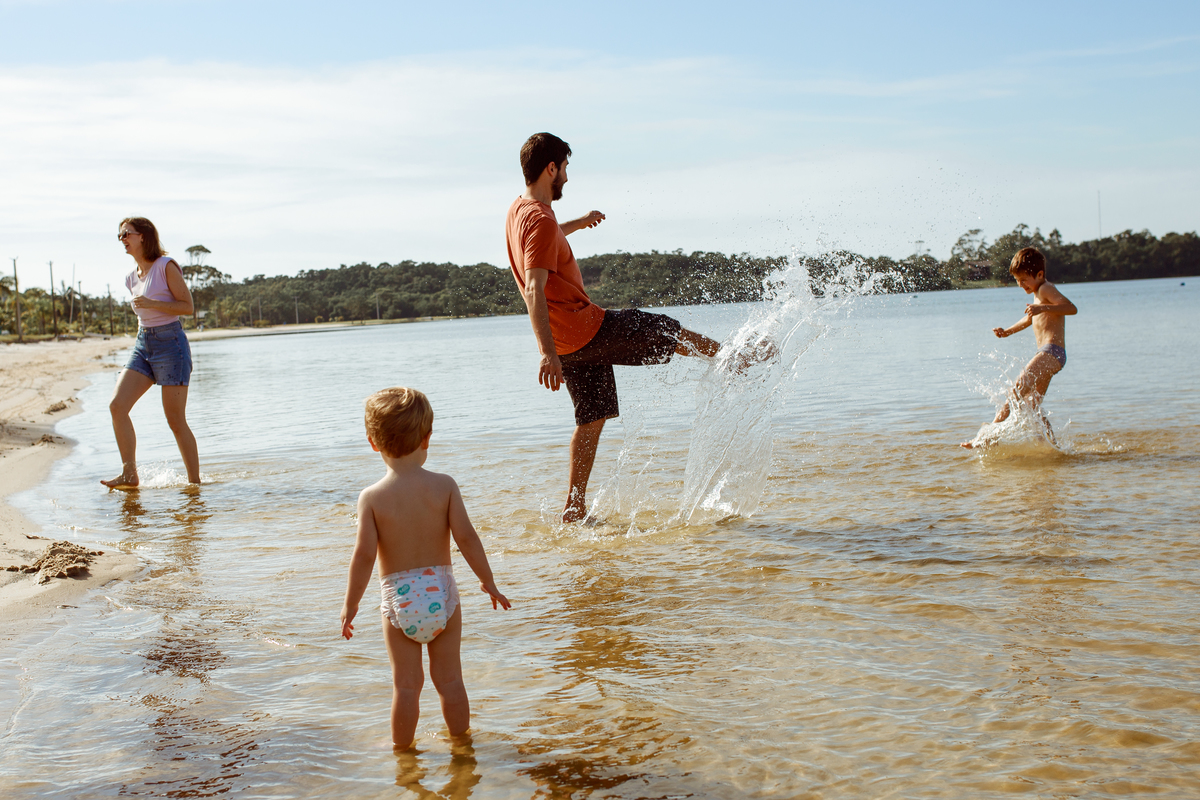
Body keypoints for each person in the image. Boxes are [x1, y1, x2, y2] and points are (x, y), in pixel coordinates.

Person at [506, 132, 734, 523]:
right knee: (661, 328)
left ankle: (574, 509)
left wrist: (580, 223)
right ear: (551, 168)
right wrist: (545, 354)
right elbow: (533, 288)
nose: (567, 178)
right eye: (565, 168)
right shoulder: (541, 220)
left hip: (568, 342)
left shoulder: (520, 210)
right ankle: (733, 358)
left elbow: (546, 238)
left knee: (591, 418)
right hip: (583, 329)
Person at [340, 387, 511, 750]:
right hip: (441, 593)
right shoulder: (444, 486)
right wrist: (488, 581)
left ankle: (404, 758)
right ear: (427, 437)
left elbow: (364, 555)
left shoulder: (371, 498)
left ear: (372, 442)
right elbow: (467, 538)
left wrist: (350, 605)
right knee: (450, 681)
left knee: (405, 686)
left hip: (399, 599)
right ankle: (462, 748)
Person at [102, 217, 200, 488]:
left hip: (171, 345)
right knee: (117, 406)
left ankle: (194, 487)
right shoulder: (130, 277)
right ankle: (129, 474)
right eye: (120, 235)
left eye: (126, 234)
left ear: (143, 236)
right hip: (143, 344)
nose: (122, 239)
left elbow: (187, 306)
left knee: (175, 420)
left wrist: (152, 303)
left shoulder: (165, 266)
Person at [963, 247, 1077, 448]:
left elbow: (1071, 308)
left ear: (1039, 274)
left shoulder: (1045, 289)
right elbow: (1028, 320)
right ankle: (1055, 448)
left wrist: (1042, 307)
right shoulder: (1038, 292)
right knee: (1032, 406)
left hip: (1050, 352)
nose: (1020, 284)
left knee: (1015, 392)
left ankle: (986, 437)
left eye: (1024, 280)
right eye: (1017, 280)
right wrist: (1007, 331)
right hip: (1053, 356)